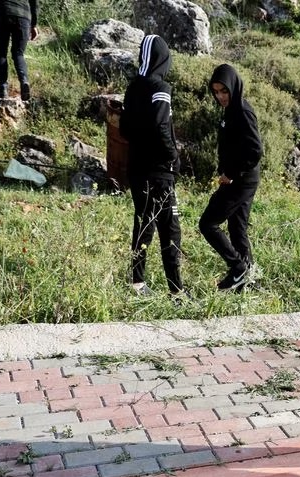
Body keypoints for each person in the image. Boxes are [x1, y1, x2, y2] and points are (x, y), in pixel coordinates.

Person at [119, 34, 185, 299]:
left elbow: (123, 127)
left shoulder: (133, 87)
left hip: (136, 169)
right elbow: (161, 126)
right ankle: (177, 291)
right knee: (171, 228)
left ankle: (137, 283)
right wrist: (172, 157)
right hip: (159, 171)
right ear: (163, 60)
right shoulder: (160, 88)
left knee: (144, 224)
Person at [199, 63, 263, 292]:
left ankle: (238, 269)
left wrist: (231, 174)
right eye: (216, 91)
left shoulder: (243, 111)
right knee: (237, 228)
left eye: (224, 91)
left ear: (234, 88)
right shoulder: (231, 110)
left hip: (240, 180)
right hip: (242, 179)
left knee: (208, 224)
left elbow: (256, 151)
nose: (220, 96)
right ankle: (248, 280)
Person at [0, 0, 39, 101]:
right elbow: (34, 2)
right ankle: (24, 81)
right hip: (23, 16)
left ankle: (3, 88)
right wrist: (33, 24)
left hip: (2, 13)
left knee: (1, 52)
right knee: (19, 53)